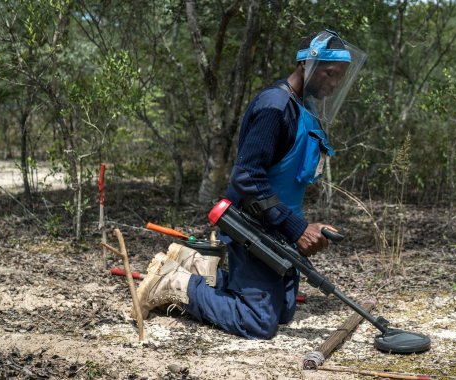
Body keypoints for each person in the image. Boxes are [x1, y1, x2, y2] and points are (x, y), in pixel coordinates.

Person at [134, 30, 366, 339]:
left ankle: (203, 269)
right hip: (253, 226)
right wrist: (297, 228)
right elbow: (246, 177)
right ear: (305, 65)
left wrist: (296, 228)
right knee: (259, 322)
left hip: (277, 229)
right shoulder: (275, 106)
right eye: (330, 73)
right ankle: (175, 282)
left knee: (284, 311)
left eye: (340, 77)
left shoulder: (302, 108)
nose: (335, 83)